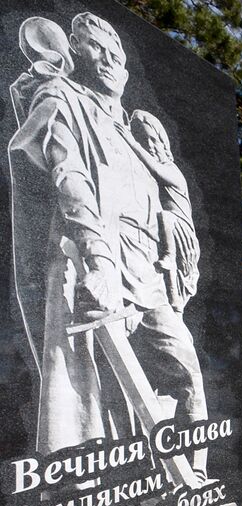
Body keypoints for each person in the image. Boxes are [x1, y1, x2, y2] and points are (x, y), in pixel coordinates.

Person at [8, 12, 208, 462]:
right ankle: (100, 492)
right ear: (73, 54)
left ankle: (197, 484)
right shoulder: (63, 99)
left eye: (116, 49)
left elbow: (165, 204)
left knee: (186, 373)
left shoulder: (133, 130)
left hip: (148, 275)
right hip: (101, 264)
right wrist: (99, 260)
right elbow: (68, 175)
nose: (111, 56)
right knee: (103, 393)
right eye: (95, 46)